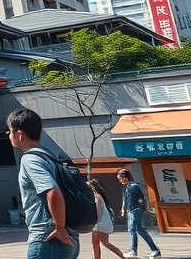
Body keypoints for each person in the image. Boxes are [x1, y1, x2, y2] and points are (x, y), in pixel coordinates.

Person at [7, 108, 78, 259]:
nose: (9, 136)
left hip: (48, 239)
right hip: (68, 237)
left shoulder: (30, 159)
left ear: (19, 134)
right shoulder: (50, 157)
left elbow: (53, 191)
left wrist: (59, 228)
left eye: (9, 132)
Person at [117, 168, 160, 258]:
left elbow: (141, 198)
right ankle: (155, 250)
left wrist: (143, 208)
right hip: (130, 211)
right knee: (139, 230)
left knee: (133, 229)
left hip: (136, 210)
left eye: (123, 177)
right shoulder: (125, 187)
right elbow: (124, 199)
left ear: (128, 176)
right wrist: (123, 209)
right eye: (120, 179)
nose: (121, 180)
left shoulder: (134, 185)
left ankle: (134, 251)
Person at [87, 179, 124, 259]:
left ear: (92, 187)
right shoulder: (96, 196)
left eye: (88, 187)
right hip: (99, 222)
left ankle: (122, 256)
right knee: (97, 243)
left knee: (104, 243)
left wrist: (95, 223)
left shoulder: (98, 197)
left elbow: (99, 211)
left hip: (100, 222)